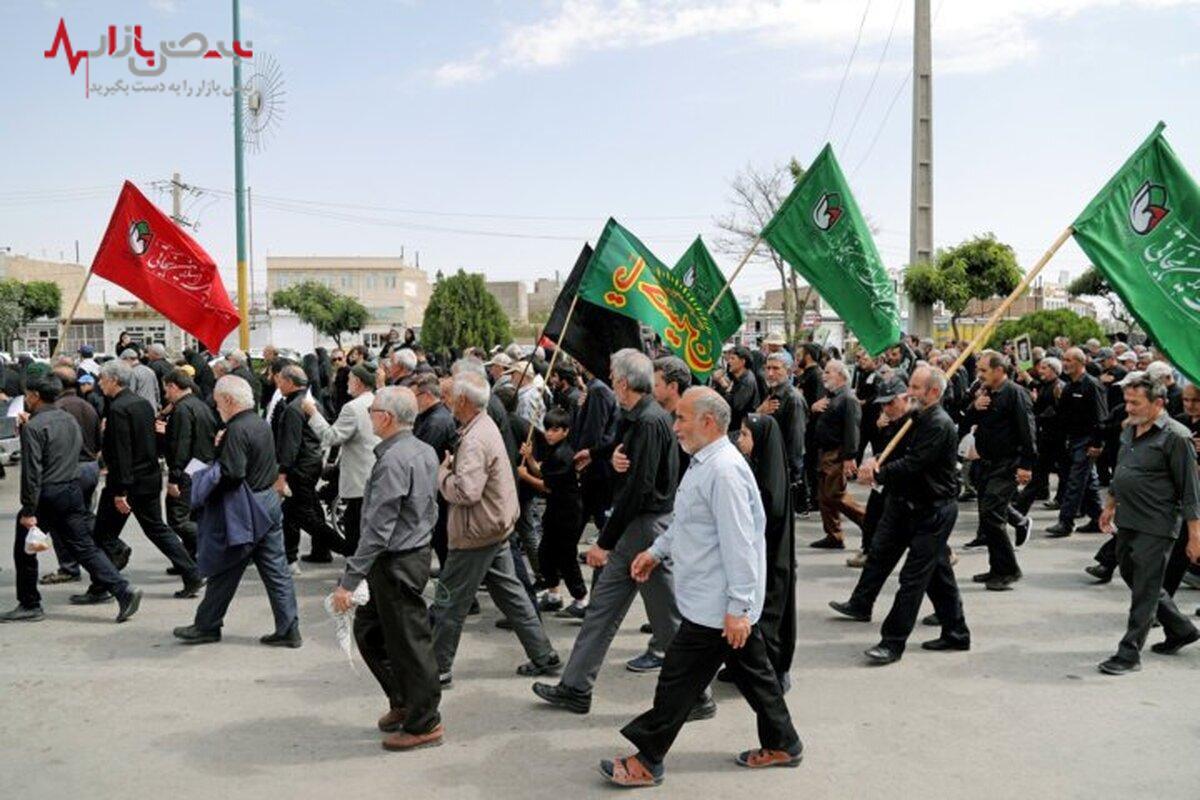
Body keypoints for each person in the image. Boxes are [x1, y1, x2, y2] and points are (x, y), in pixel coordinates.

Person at [599, 388, 801, 788]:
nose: (675, 427)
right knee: (756, 677)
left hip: (717, 606)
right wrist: (655, 552)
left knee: (677, 680)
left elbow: (741, 545)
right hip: (715, 602)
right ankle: (784, 743)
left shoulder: (723, 470)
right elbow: (689, 521)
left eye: (682, 419)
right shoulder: (703, 462)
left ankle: (647, 758)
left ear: (708, 422)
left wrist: (739, 608)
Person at [533, 350, 702, 713]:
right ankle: (576, 687)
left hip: (644, 528)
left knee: (666, 618)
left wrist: (605, 542)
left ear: (623, 383)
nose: (610, 380)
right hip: (638, 527)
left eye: (612, 375)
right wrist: (597, 454)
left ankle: (696, 693)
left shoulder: (649, 420)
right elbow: (623, 450)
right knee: (606, 610)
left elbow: (638, 488)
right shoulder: (637, 415)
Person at [834, 366, 971, 664]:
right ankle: (956, 632)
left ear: (934, 392)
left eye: (917, 387)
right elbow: (893, 451)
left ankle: (892, 642)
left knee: (913, 579)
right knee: (936, 574)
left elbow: (913, 464)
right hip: (905, 505)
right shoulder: (915, 418)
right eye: (910, 385)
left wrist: (878, 474)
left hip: (933, 510)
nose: (910, 391)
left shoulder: (939, 424)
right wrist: (875, 458)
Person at [432, 370, 560, 685]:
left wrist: (442, 475)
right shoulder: (482, 425)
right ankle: (544, 655)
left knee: (448, 603)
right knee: (513, 596)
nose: (446, 401)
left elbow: (466, 491)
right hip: (494, 527)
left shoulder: (475, 437)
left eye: (450, 396)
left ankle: (437, 668)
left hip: (477, 532)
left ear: (463, 400)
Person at [334, 386, 444, 750]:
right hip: (404, 555)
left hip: (398, 559)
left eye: (373, 410)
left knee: (409, 643)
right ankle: (404, 701)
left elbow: (379, 527)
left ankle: (425, 721)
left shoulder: (397, 457)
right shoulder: (418, 450)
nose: (369, 416)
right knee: (372, 632)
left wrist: (349, 580)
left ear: (387, 417)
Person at [2, 376, 142, 624]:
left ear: (34, 395)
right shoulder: (68, 419)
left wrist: (28, 508)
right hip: (71, 488)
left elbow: (32, 472)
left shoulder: (35, 427)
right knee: (84, 546)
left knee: (24, 549)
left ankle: (29, 603)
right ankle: (122, 590)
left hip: (48, 493)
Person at [174, 375, 301, 646]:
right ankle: (289, 627)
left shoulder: (236, 429)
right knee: (276, 570)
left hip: (246, 508)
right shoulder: (258, 423)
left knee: (225, 567)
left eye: (218, 402)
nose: (217, 407)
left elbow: (232, 473)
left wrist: (204, 477)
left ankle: (207, 626)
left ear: (229, 400)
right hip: (267, 502)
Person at [1095, 374, 1200, 674]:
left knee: (1146, 588)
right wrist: (1110, 504)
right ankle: (1181, 629)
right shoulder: (1129, 429)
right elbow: (1123, 469)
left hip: (1157, 523)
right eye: (1127, 401)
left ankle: (1128, 654)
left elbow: (1191, 491)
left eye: (1135, 402)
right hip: (1127, 519)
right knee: (1130, 573)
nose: (1128, 408)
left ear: (1159, 403)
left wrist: (1194, 535)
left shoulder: (1176, 437)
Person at [82, 360, 203, 602]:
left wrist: (120, 490)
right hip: (148, 477)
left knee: (103, 535)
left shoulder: (119, 409)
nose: (99, 384)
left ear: (115, 380)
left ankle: (103, 583)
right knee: (156, 529)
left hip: (127, 483)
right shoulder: (142, 404)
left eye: (103, 379)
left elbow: (123, 451)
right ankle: (191, 572)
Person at [962, 352, 1035, 591]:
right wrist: (975, 406)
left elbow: (1028, 431)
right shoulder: (985, 393)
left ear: (999, 370)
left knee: (993, 513)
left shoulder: (1015, 394)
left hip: (1008, 464)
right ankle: (997, 568)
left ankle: (1009, 570)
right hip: (986, 462)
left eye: (984, 371)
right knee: (988, 516)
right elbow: (965, 421)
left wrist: (1026, 465)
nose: (979, 375)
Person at [735, 413, 796, 688]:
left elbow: (769, 509)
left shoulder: (772, 477)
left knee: (770, 611)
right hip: (755, 553)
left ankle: (772, 670)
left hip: (772, 555)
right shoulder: (753, 465)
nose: (739, 440)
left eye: (746, 435)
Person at [302, 363, 379, 559]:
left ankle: (357, 581)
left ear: (359, 382)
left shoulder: (352, 408)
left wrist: (313, 413)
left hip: (359, 481)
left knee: (355, 535)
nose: (346, 383)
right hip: (375, 477)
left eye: (350, 379)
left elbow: (331, 436)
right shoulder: (379, 400)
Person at [272, 364, 343, 568]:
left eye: (281, 380)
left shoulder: (294, 408)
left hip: (299, 468)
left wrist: (282, 474)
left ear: (289, 382)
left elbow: (290, 445)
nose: (278, 383)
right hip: (311, 464)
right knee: (304, 511)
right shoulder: (310, 403)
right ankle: (316, 552)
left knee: (305, 516)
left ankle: (347, 550)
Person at [519, 406, 587, 617]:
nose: (550, 433)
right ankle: (554, 594)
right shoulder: (553, 451)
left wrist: (523, 474)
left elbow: (546, 485)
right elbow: (542, 471)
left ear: (566, 431)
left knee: (566, 557)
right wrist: (529, 459)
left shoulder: (564, 454)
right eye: (548, 428)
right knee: (545, 553)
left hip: (567, 514)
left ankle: (582, 599)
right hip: (555, 512)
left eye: (556, 429)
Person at [1047, 347, 1107, 537]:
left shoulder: (1092, 385)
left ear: (1081, 362)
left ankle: (1065, 522)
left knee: (1075, 481)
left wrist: (1097, 443)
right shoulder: (1068, 386)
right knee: (1087, 481)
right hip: (1072, 440)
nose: (1065, 363)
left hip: (1087, 439)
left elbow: (1100, 418)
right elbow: (1063, 415)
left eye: (1069, 360)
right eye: (1064, 359)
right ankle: (1099, 519)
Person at [162, 370, 219, 560]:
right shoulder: (200, 405)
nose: (165, 395)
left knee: (178, 518)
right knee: (192, 514)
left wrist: (174, 478)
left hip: (188, 468)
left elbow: (181, 445)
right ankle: (191, 557)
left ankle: (209, 545)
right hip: (202, 464)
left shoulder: (182, 410)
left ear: (173, 386)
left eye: (166, 389)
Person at [810, 359, 865, 549]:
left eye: (828, 372)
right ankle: (833, 535)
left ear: (841, 375)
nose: (824, 376)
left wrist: (850, 456)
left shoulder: (848, 399)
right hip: (824, 452)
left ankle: (868, 522)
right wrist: (814, 409)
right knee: (824, 497)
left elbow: (852, 429)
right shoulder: (831, 397)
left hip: (837, 453)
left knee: (835, 494)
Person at [413, 372, 458, 569]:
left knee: (441, 541)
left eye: (415, 396)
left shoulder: (436, 422)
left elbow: (420, 455)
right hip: (435, 487)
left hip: (437, 490)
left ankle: (458, 594)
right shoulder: (429, 417)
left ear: (425, 396)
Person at [573, 364, 620, 543]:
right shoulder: (594, 388)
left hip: (596, 467)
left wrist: (586, 457)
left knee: (596, 513)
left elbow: (593, 430)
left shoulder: (598, 389)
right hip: (597, 465)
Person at [756, 350, 807, 507]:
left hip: (783, 467)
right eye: (768, 368)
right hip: (768, 462)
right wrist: (759, 412)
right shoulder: (772, 393)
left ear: (788, 371)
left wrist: (794, 474)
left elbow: (796, 439)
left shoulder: (792, 399)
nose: (770, 373)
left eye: (776, 369)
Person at [716, 346, 760, 434]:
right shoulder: (738, 378)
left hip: (739, 430)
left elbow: (736, 406)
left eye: (733, 359)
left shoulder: (747, 381)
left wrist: (723, 385)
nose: (729, 362)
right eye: (729, 359)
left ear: (743, 361)